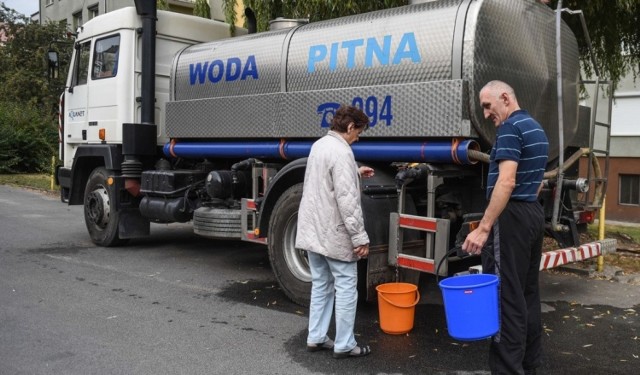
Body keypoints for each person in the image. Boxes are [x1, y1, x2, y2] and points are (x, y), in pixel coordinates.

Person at [462, 80, 549, 375]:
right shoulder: (536, 128)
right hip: (532, 214)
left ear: (505, 98)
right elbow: (536, 183)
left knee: (505, 298)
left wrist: (484, 227)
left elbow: (507, 180)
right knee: (527, 294)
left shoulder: (510, 128)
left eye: (488, 106)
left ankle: (508, 370)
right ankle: (529, 367)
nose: (486, 114)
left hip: (510, 217)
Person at [295, 105, 374, 359]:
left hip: (313, 230)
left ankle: (316, 336)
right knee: (347, 286)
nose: (358, 138)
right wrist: (360, 238)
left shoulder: (319, 146)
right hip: (334, 232)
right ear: (350, 127)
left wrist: (355, 172)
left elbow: (325, 182)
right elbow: (347, 201)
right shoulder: (343, 152)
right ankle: (345, 344)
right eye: (358, 132)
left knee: (321, 284)